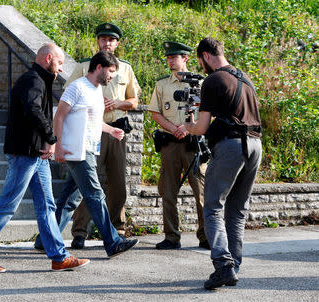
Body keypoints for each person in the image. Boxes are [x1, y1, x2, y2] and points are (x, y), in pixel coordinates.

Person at [0, 43, 90, 273]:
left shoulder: (39, 80)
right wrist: (51, 138)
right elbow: (33, 110)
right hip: (24, 154)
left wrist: (47, 141)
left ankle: (58, 256)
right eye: (60, 63)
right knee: (8, 203)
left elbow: (36, 113)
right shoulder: (33, 80)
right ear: (48, 58)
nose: (61, 69)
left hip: (37, 155)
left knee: (47, 205)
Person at [183, 37, 262, 289]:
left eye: (200, 61)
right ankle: (233, 266)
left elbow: (202, 127)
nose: (201, 66)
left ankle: (223, 265)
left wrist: (189, 125)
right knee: (237, 209)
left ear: (205, 56)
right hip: (255, 145)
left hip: (230, 146)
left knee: (213, 206)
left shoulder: (214, 80)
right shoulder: (245, 78)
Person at [55, 22, 141, 249]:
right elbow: (61, 114)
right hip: (81, 144)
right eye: (103, 39)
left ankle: (45, 240)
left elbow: (132, 101)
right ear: (99, 67)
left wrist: (111, 128)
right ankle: (105, 240)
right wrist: (59, 144)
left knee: (71, 194)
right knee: (92, 193)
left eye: (111, 39)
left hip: (100, 135)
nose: (113, 76)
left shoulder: (101, 83)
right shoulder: (81, 84)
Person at [148, 41, 209, 250]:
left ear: (185, 59)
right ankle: (171, 236)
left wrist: (187, 127)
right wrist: (173, 128)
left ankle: (206, 236)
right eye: (168, 58)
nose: (170, 61)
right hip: (170, 143)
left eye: (174, 57)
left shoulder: (201, 84)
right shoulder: (162, 84)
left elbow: (211, 114)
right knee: (168, 191)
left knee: (201, 191)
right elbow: (155, 112)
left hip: (194, 144)